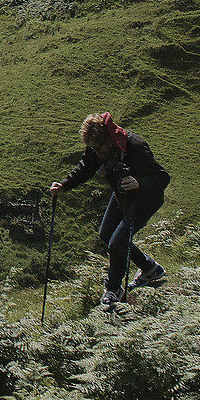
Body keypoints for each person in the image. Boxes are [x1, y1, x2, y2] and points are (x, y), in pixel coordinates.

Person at [50, 111, 170, 310]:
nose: (97, 152)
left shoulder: (134, 146)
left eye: (99, 147)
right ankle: (150, 269)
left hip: (145, 200)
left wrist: (139, 183)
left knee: (117, 244)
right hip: (121, 195)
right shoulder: (96, 149)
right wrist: (64, 185)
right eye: (93, 148)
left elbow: (163, 178)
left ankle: (114, 290)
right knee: (106, 235)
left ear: (110, 138)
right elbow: (85, 168)